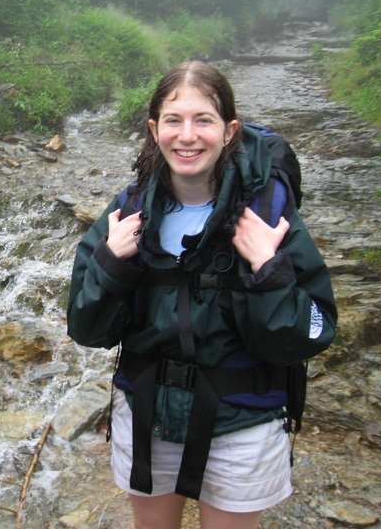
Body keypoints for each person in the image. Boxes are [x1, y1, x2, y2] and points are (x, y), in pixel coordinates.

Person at [66, 60, 337, 529]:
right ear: (154, 129)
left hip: (243, 419)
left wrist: (268, 271)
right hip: (149, 411)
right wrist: (111, 263)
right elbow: (86, 329)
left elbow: (311, 333)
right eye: (173, 120)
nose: (187, 136)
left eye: (203, 120)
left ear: (229, 131)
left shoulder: (268, 216)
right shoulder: (127, 212)